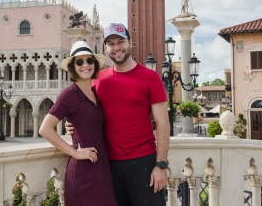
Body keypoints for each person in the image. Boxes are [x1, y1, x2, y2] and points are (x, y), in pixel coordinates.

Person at [67, 23, 170, 206]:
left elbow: (163, 123)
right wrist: (72, 125)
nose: (117, 47)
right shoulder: (98, 79)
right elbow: (87, 113)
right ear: (106, 48)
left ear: (130, 42)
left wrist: (161, 165)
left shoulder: (150, 77)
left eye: (120, 41)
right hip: (109, 165)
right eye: (111, 43)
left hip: (143, 163)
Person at [39, 41, 118, 206]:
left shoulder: (95, 93)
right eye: (79, 62)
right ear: (73, 67)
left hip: (101, 168)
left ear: (94, 64)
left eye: (89, 61)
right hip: (83, 172)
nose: (85, 65)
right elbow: (45, 129)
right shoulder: (68, 95)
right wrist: (74, 152)